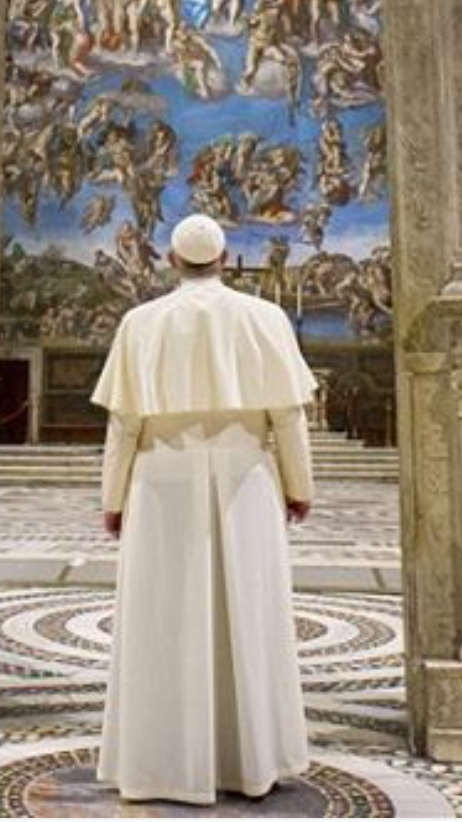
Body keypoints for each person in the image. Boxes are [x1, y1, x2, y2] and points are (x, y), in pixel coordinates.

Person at [92, 213, 316, 805]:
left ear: (171, 260)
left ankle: (159, 763)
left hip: (160, 481)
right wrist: (300, 486)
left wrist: (111, 499)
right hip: (247, 479)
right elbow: (289, 417)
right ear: (224, 258)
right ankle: (251, 761)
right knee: (249, 609)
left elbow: (125, 423)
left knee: (164, 618)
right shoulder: (264, 318)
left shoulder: (141, 322)